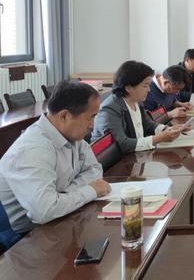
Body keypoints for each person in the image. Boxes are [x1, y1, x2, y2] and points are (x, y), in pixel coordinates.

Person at [0, 81, 111, 238]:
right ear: (64, 116)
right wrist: (90, 190)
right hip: (24, 236)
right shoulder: (33, 149)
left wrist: (62, 196)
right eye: (90, 117)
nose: (92, 125)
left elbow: (95, 170)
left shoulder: (73, 136)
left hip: (58, 218)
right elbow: (45, 211)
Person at [92, 60, 187, 154]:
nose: (149, 90)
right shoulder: (109, 110)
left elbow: (148, 124)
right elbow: (123, 144)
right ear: (128, 87)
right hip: (119, 161)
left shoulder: (137, 101)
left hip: (136, 156)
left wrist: (168, 129)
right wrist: (159, 138)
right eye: (145, 86)